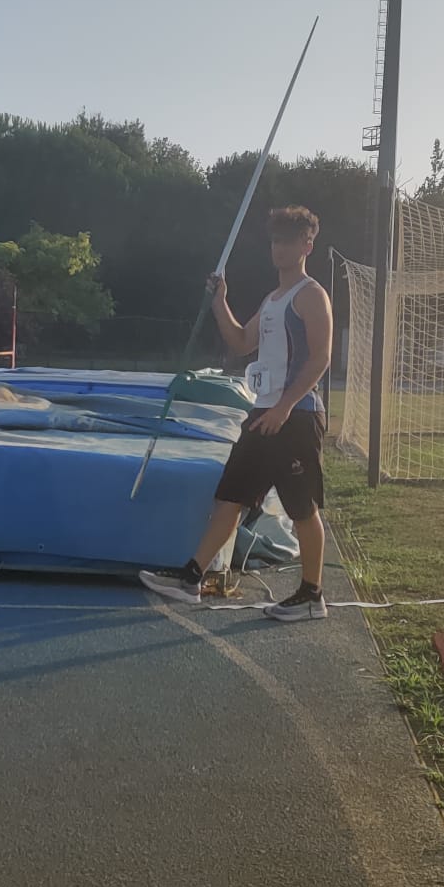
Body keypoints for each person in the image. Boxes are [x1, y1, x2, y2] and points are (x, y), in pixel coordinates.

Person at [140, 204, 333, 621]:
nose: (280, 248)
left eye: (289, 241)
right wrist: (219, 302)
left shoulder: (311, 295)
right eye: (275, 241)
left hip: (296, 417)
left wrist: (284, 407)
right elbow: (242, 342)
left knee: (302, 507)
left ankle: (312, 594)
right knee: (231, 495)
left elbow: (321, 358)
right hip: (262, 414)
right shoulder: (272, 300)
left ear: (307, 245)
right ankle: (192, 578)